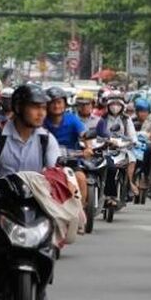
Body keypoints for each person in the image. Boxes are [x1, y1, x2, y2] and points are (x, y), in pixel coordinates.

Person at [0, 84, 61, 296]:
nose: (41, 113)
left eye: (43, 108)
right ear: (19, 107)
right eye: (35, 107)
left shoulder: (46, 139)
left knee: (52, 230)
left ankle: (43, 278)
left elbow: (55, 167)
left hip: (35, 198)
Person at [44, 86, 91, 219]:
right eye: (52, 103)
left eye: (59, 102)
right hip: (48, 163)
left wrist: (88, 148)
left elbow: (84, 134)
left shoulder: (72, 119)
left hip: (71, 160)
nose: (56, 106)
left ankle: (80, 214)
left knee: (81, 178)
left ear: (65, 104)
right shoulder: (42, 120)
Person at [97, 90, 139, 199]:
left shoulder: (126, 119)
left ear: (122, 106)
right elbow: (98, 134)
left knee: (132, 159)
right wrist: (105, 141)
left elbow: (132, 135)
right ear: (108, 105)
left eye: (118, 104)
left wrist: (132, 141)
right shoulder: (102, 119)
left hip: (123, 148)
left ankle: (130, 184)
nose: (115, 107)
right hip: (106, 149)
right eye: (112, 104)